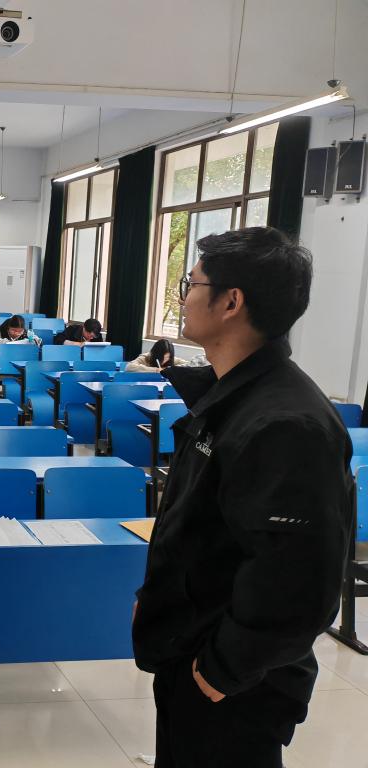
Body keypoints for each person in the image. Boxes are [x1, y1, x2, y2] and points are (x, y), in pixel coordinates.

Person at [132, 227, 352, 768]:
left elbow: (299, 582)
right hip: (192, 646)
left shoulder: (286, 423)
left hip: (234, 684)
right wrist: (160, 597)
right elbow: (204, 528)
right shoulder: (231, 397)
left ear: (231, 302)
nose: (184, 297)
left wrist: (221, 670)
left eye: (191, 283)